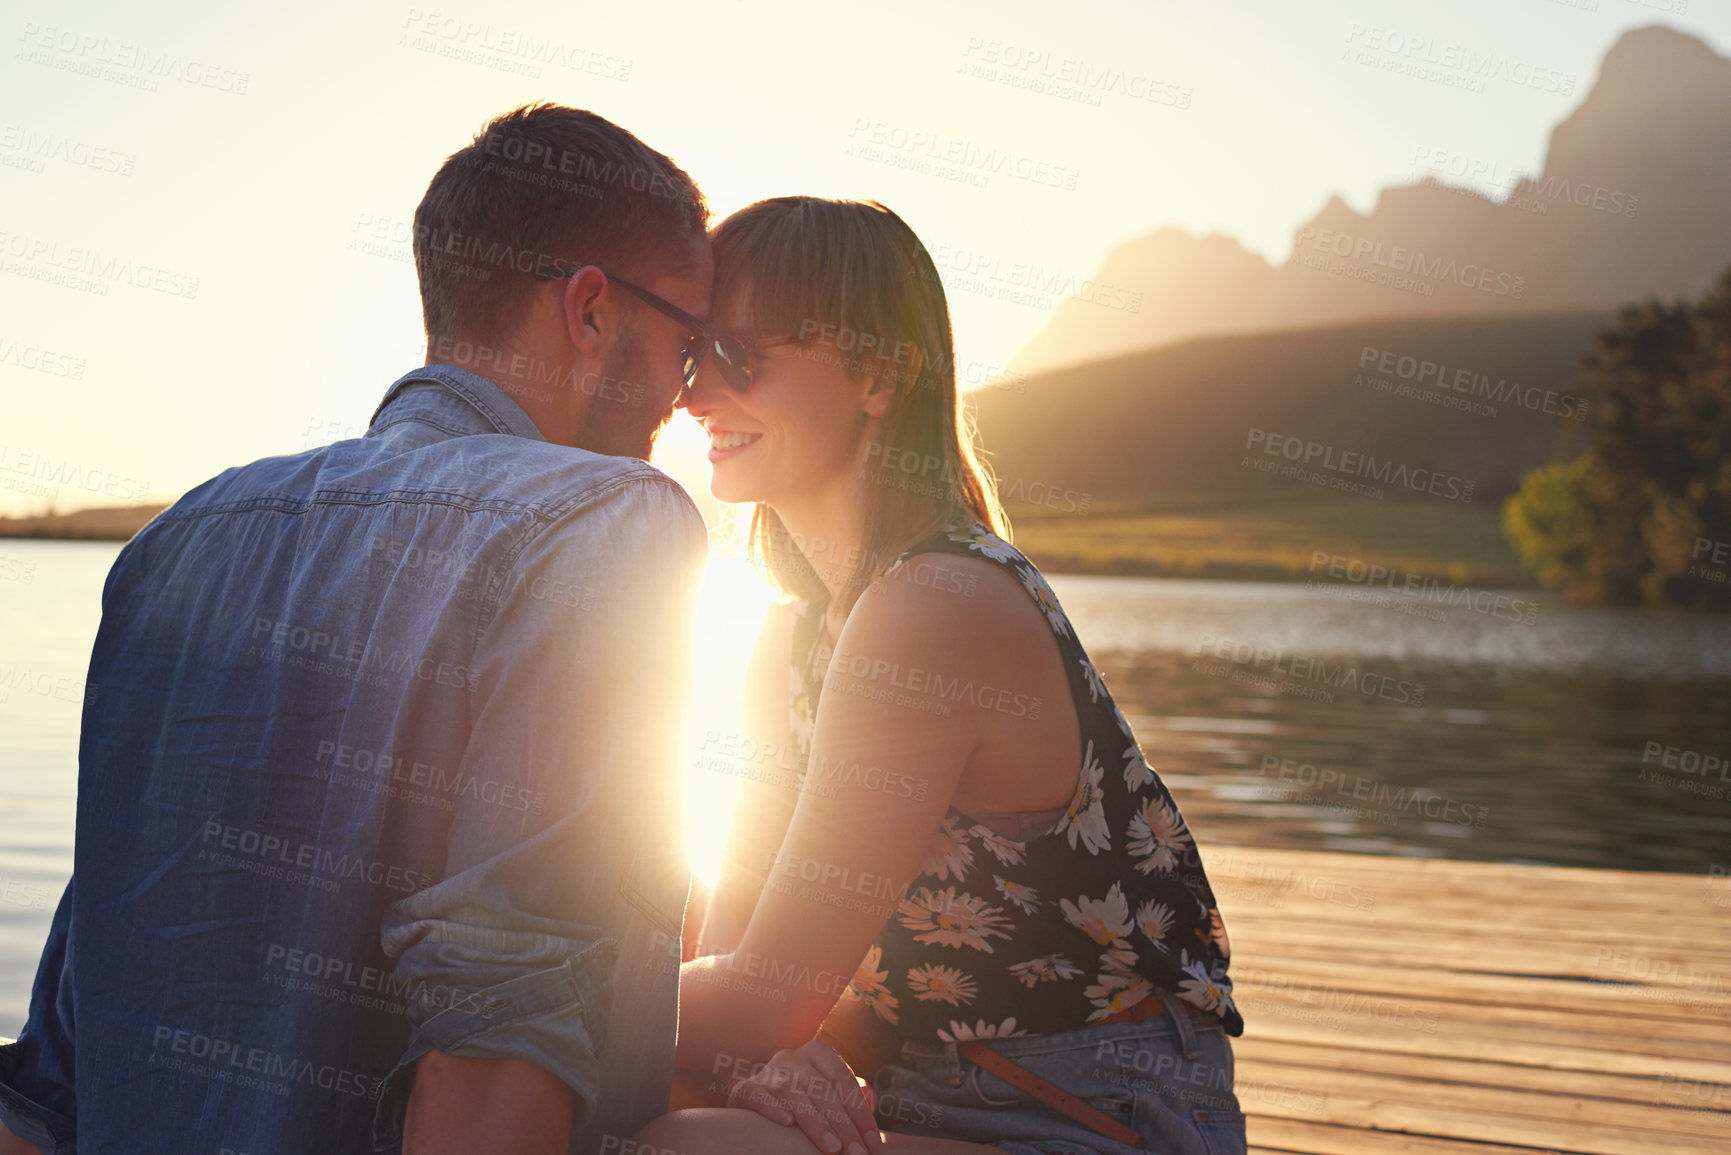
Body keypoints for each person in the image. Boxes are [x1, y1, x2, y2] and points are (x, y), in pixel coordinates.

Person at [0, 103, 711, 1155]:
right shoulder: (609, 522)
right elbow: (494, 1061)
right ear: (591, 310)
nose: (684, 400)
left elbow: (54, 1075)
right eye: (688, 351)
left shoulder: (179, 540)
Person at [637, 198, 1246, 1155]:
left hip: (1090, 1112)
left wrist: (494, 1005)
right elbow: (744, 959)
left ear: (879, 374)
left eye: (739, 356)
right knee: (638, 1100)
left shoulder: (938, 607)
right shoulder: (791, 641)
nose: (695, 396)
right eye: (689, 356)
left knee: (653, 1143)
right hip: (925, 1095)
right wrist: (781, 1054)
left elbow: (761, 995)